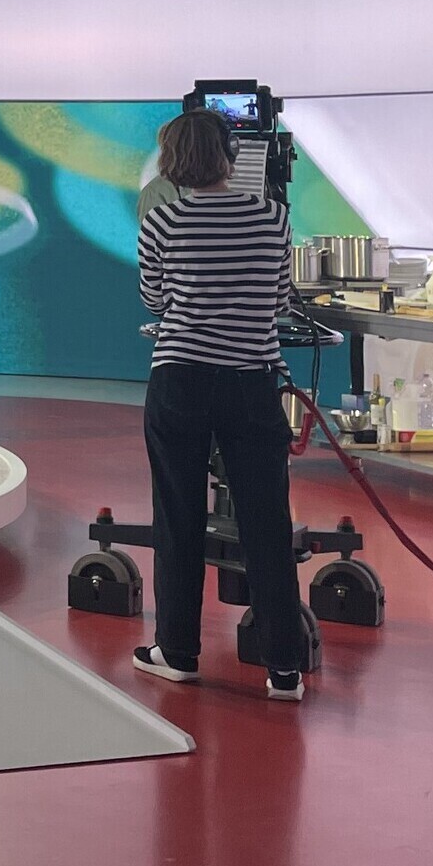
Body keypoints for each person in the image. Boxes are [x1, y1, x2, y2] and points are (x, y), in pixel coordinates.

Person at [132, 108, 308, 702]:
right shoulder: (274, 218)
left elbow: (154, 299)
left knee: (177, 515)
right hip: (251, 383)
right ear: (232, 157)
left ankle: (177, 652)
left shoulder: (161, 221)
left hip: (179, 379)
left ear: (172, 163)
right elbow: (280, 298)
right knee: (267, 521)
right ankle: (284, 668)